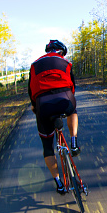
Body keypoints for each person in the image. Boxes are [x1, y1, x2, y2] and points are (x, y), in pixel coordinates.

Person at [29, 39, 80, 194]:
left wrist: (34, 106)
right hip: (65, 98)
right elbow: (72, 87)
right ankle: (74, 142)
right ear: (61, 51)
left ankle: (59, 183)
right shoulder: (65, 62)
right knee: (72, 110)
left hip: (43, 104)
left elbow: (31, 91)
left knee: (47, 147)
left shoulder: (34, 65)